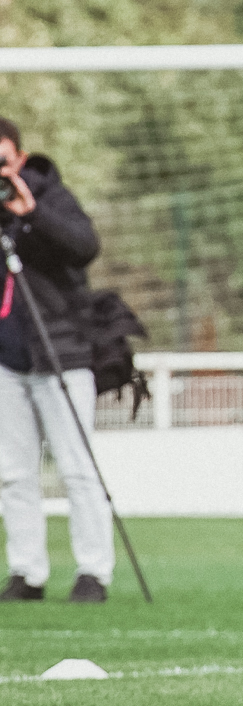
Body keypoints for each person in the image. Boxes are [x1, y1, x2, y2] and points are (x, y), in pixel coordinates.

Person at [0, 116, 114, 603]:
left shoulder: (51, 197)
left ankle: (94, 571)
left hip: (61, 356)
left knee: (77, 468)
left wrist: (31, 214)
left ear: (20, 158)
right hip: (7, 361)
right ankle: (26, 572)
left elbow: (85, 247)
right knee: (12, 472)